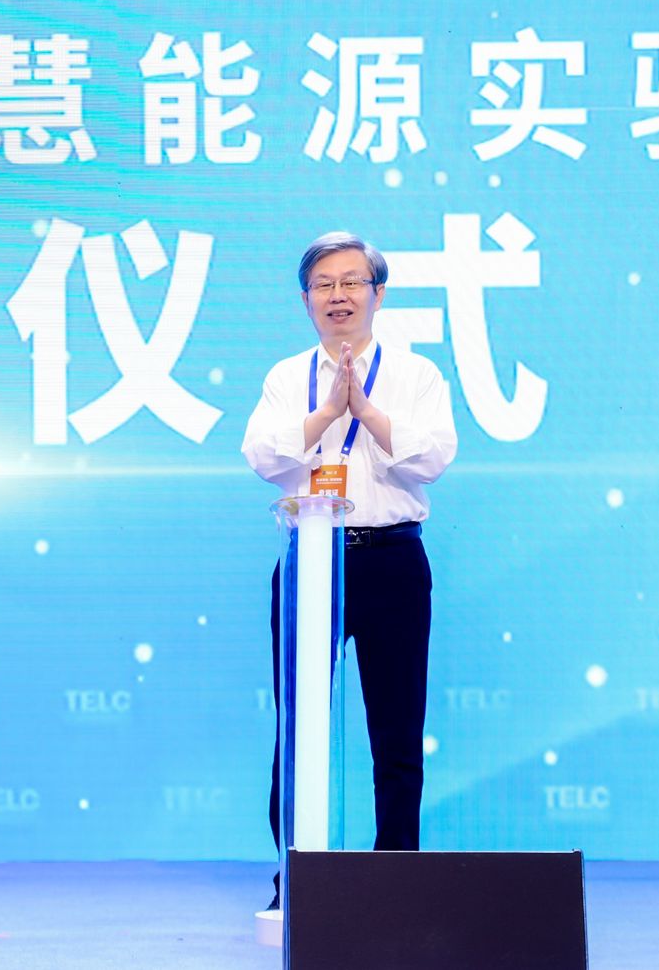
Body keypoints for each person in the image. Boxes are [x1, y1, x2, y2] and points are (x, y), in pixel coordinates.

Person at [241, 231, 457, 908]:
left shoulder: (416, 375)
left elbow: (433, 458)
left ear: (377, 293)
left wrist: (366, 411)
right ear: (306, 300)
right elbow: (262, 456)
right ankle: (296, 880)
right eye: (324, 284)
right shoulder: (286, 378)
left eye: (352, 282)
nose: (338, 295)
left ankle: (398, 880)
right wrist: (328, 413)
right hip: (311, 559)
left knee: (397, 729)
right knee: (298, 728)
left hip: (392, 559)